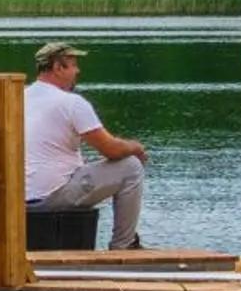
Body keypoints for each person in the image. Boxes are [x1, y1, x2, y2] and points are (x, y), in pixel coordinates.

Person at [24, 42, 148, 250]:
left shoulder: (18, 97)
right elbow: (112, 150)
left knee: (84, 165)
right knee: (131, 166)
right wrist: (136, 147)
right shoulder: (71, 102)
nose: (78, 71)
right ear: (58, 67)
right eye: (73, 65)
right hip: (51, 197)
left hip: (19, 197)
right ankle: (124, 245)